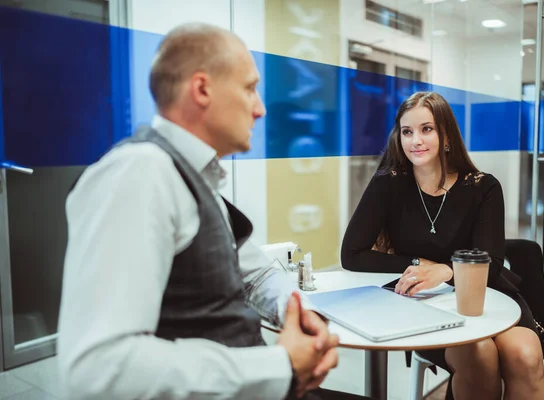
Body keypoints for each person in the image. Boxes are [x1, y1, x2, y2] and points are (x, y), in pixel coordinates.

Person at [58, 22, 369, 400]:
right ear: (202, 89)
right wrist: (279, 367)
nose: (260, 108)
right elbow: (98, 369)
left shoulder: (194, 178)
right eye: (250, 88)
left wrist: (297, 311)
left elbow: (253, 274)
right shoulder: (138, 173)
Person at [340, 91, 544, 400]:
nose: (416, 141)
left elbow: (491, 265)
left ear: (447, 135)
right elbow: (351, 255)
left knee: (525, 355)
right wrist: (417, 265)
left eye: (427, 129)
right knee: (480, 356)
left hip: (487, 295)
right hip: (425, 302)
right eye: (407, 131)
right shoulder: (389, 182)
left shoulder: (482, 186)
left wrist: (445, 271)